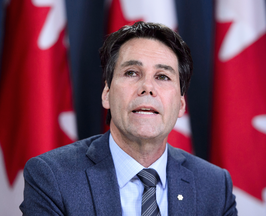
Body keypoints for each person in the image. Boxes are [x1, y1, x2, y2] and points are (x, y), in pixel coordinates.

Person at [20, 21, 237, 216]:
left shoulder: (215, 186)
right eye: (132, 73)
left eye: (162, 77)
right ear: (106, 94)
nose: (147, 88)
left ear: (181, 105)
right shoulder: (53, 177)